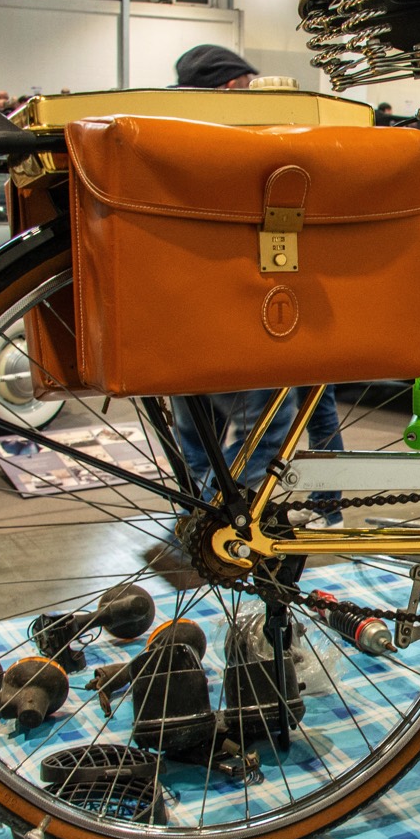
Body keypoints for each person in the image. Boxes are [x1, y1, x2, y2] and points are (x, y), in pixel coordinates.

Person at [166, 43, 345, 515]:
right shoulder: (243, 145)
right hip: (244, 309)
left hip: (177, 314)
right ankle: (210, 525)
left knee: (196, 438)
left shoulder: (170, 139)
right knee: (270, 428)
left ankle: (326, 502)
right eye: (247, 84)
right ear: (230, 87)